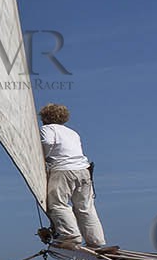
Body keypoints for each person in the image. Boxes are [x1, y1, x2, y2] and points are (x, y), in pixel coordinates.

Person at [38, 104, 106, 248]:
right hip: (84, 171)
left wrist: (43, 157)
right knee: (85, 207)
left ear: (44, 117)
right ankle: (96, 240)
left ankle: (70, 236)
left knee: (57, 204)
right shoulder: (72, 132)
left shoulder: (47, 129)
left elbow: (48, 142)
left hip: (64, 170)